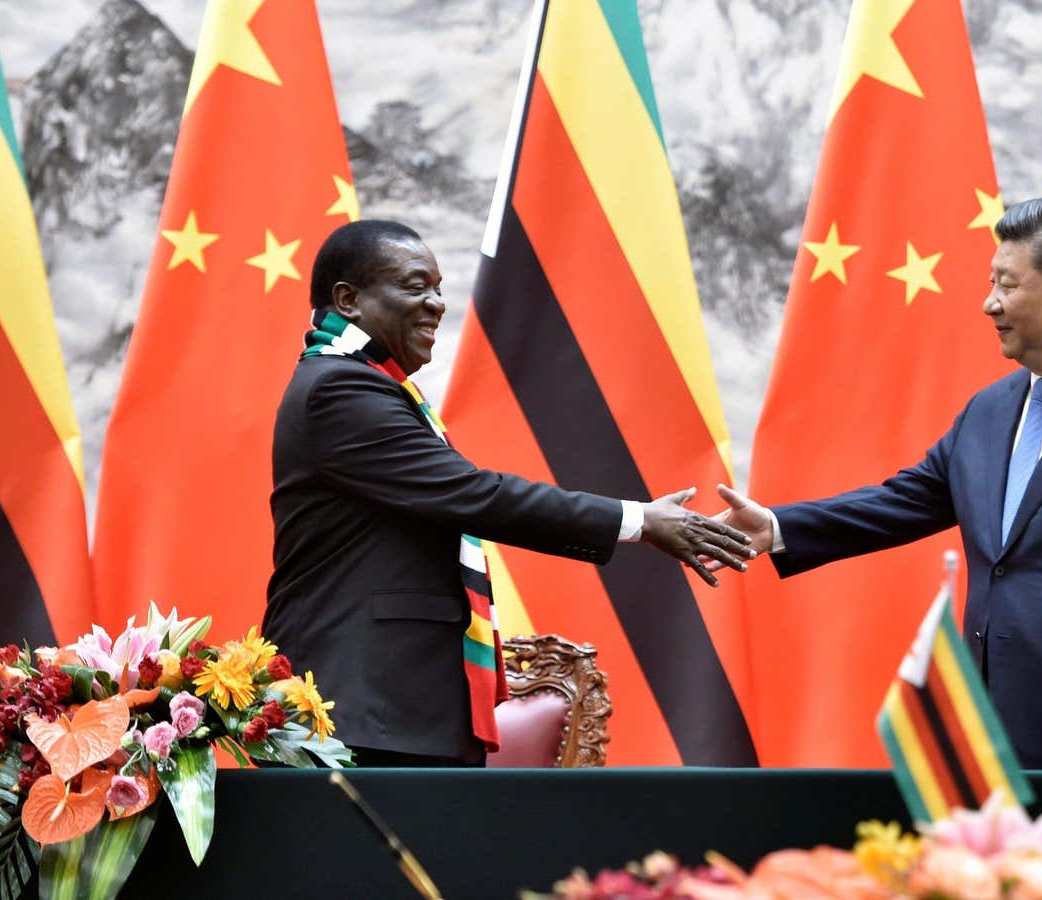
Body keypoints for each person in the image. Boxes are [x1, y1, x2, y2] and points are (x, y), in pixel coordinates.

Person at [717, 197, 1042, 768]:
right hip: (994, 727)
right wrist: (776, 527)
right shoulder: (990, 410)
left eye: (1007, 284)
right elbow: (905, 501)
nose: (988, 302)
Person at [263, 220, 754, 767]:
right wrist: (637, 520)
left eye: (439, 288)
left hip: (390, 712)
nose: (436, 304)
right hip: (359, 713)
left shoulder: (367, 383)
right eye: (414, 285)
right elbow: (474, 494)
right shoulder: (340, 388)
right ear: (348, 300)